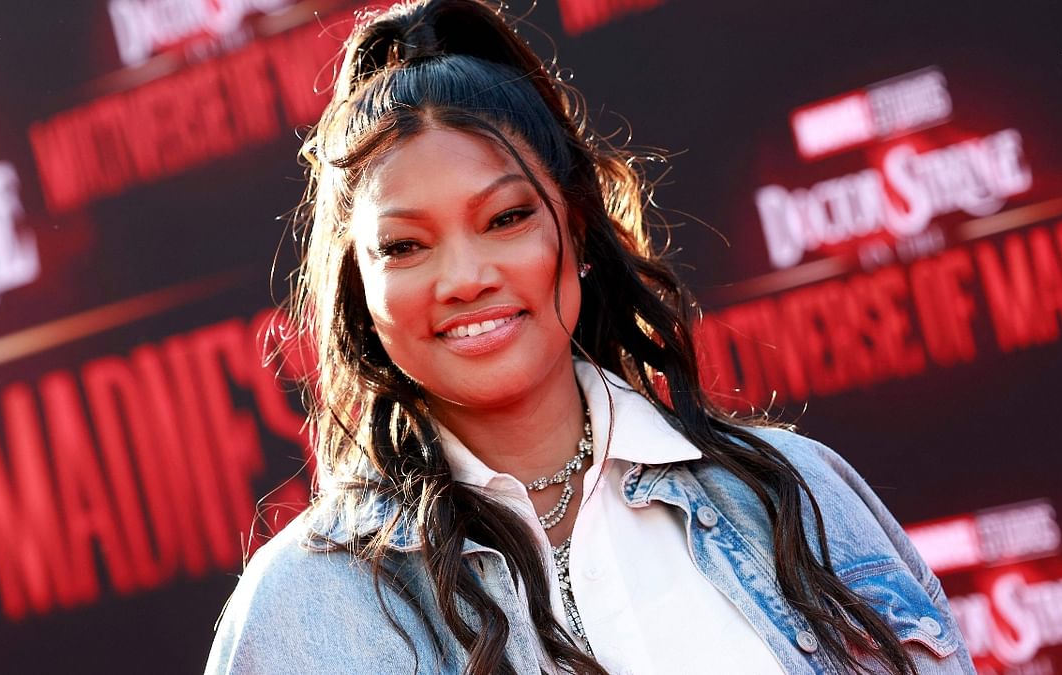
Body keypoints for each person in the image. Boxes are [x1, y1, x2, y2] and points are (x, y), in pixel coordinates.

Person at [205, 0, 975, 673]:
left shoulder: (796, 494)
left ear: (574, 227)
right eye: (405, 245)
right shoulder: (300, 610)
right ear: (360, 287)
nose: (465, 276)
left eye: (506, 218)